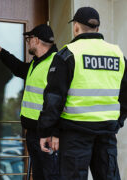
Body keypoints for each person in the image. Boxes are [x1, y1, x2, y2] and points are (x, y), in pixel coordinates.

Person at [38, 7, 127, 180]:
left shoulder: (68, 53)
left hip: (75, 135)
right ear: (97, 29)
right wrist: (117, 123)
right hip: (106, 133)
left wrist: (45, 132)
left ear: (76, 27)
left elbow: (54, 100)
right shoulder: (117, 54)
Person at [0, 24, 59, 180]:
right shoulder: (37, 62)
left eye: (29, 39)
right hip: (33, 133)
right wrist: (1, 53)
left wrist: (53, 133)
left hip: (46, 135)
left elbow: (59, 102)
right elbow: (19, 69)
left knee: (51, 176)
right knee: (40, 175)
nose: (28, 42)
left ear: (37, 40)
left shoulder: (56, 64)